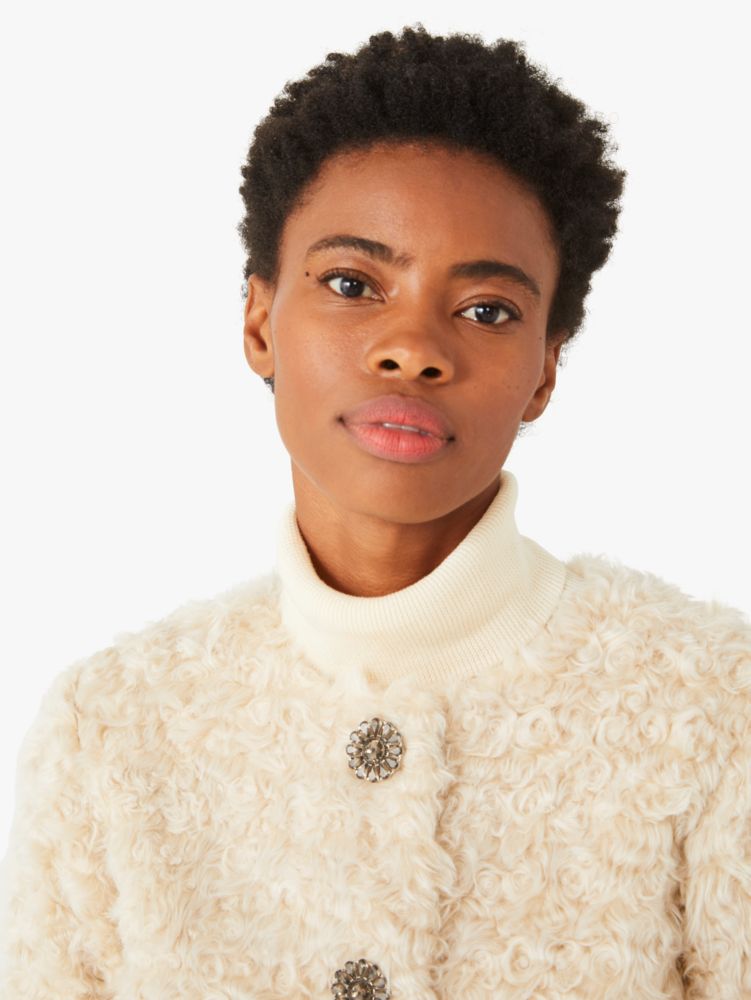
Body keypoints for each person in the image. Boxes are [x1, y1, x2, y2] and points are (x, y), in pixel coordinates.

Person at [1, 24, 749, 999]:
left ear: (543, 371)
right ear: (259, 321)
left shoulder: (711, 709)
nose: (412, 348)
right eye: (352, 284)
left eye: (486, 309)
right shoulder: (110, 729)